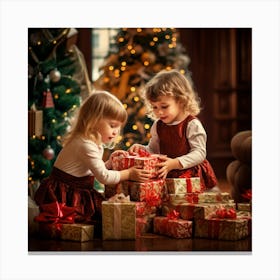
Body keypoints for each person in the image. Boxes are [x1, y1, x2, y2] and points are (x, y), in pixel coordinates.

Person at [34, 90, 152, 224]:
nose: (116, 132)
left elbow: (93, 171)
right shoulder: (85, 144)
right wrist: (129, 174)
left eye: (118, 127)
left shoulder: (92, 142)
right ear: (93, 121)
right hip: (64, 193)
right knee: (93, 221)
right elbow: (104, 177)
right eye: (112, 125)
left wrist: (110, 161)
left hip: (77, 188)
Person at [128, 69, 219, 192]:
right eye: (154, 107)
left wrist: (175, 163)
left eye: (164, 106)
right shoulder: (157, 125)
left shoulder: (192, 124)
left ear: (181, 101)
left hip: (190, 175)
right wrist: (141, 149)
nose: (159, 112)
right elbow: (154, 150)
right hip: (168, 173)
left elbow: (199, 153)